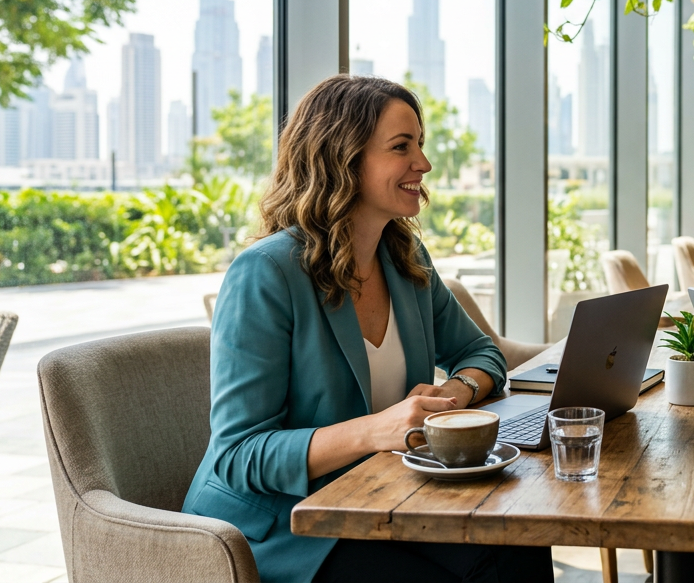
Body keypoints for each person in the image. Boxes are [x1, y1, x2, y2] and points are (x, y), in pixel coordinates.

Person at [181, 76, 553, 583]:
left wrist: (453, 392)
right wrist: (378, 431)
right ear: (342, 158)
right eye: (402, 147)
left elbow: (481, 353)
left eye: (419, 144)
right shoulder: (266, 274)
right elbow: (240, 453)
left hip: (383, 498)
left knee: (520, 542)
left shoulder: (405, 260)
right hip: (283, 528)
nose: (422, 163)